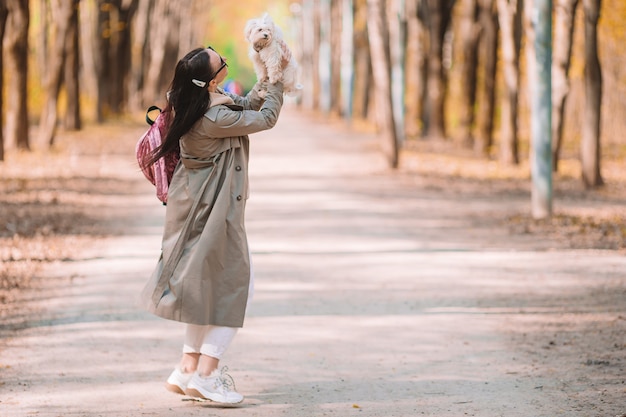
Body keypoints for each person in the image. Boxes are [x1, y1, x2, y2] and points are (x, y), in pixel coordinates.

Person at [139, 44, 287, 404]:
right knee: (238, 286)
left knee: (205, 288)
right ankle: (207, 374)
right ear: (208, 80)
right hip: (211, 211)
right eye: (222, 61)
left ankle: (187, 367)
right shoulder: (211, 117)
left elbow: (247, 106)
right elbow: (264, 118)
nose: (225, 61)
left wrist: (266, 75)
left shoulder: (195, 102)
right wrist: (280, 80)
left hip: (197, 207)